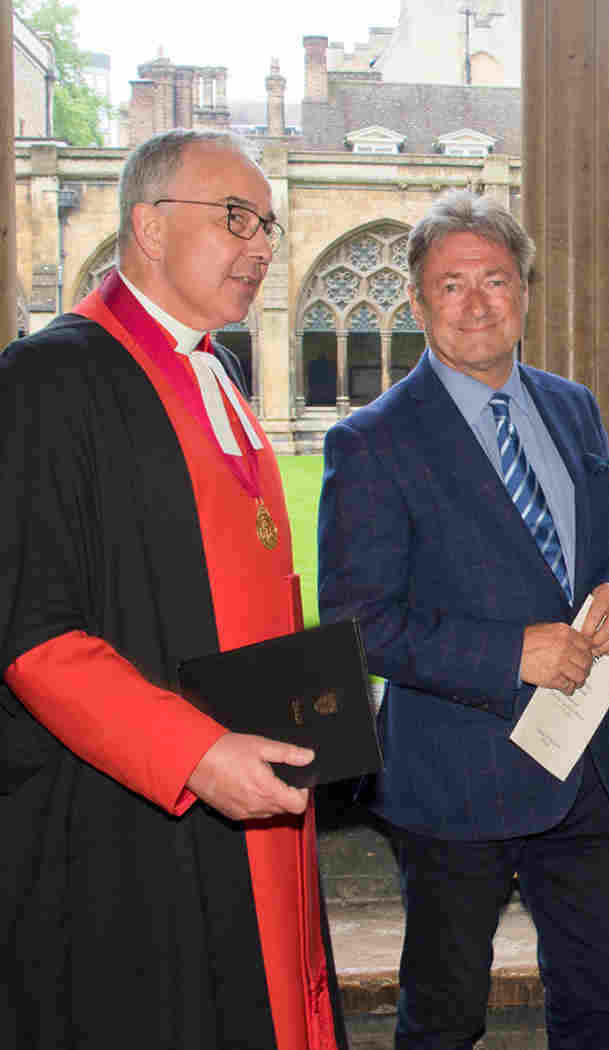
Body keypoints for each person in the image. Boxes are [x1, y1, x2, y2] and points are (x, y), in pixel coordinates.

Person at [0, 129, 346, 1048]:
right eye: (235, 218)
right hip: (133, 815)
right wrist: (194, 753)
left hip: (249, 786)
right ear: (149, 226)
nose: (261, 246)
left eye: (267, 224)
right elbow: (32, 633)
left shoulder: (216, 370)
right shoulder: (48, 377)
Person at [317, 189, 609, 1050]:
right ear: (418, 300)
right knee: (444, 1014)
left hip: (582, 765)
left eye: (496, 281)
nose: (476, 304)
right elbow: (359, 622)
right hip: (456, 781)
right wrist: (511, 654)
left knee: (596, 999)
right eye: (452, 284)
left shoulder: (572, 407)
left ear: (525, 293)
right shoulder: (371, 441)